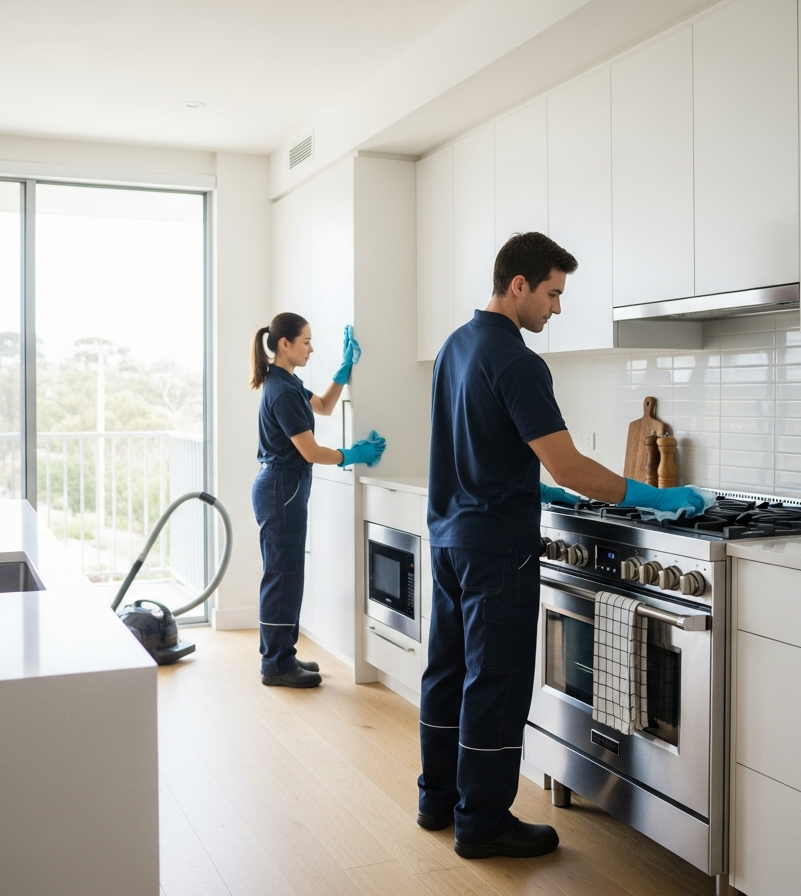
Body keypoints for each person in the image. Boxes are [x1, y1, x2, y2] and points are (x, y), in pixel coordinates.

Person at [418, 232, 707, 859]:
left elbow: (480, 447)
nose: (556, 308)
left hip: (448, 538)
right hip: (496, 550)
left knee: (447, 673)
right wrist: (652, 496)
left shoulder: (454, 347)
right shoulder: (518, 361)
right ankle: (484, 823)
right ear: (518, 285)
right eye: (552, 293)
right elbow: (571, 465)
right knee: (494, 684)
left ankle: (438, 800)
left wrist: (544, 492)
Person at [250, 313, 386, 688]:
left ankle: (282, 656)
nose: (311, 348)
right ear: (284, 344)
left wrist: (344, 369)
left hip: (282, 486)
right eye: (306, 341)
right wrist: (352, 454)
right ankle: (276, 665)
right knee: (283, 576)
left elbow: (324, 406)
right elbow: (309, 451)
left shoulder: (287, 383)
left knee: (287, 573)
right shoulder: (281, 390)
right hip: (283, 486)